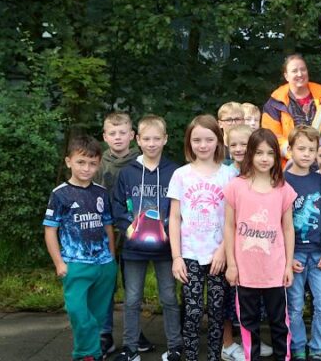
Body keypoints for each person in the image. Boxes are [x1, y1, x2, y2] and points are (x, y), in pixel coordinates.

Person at [167, 115, 239, 361]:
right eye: (197, 139)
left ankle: (214, 356)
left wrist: (223, 251)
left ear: (219, 141)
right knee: (194, 311)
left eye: (209, 139)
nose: (203, 145)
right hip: (190, 255)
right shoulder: (181, 175)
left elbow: (234, 219)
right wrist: (176, 257)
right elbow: (174, 218)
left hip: (219, 254)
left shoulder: (229, 175)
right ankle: (190, 356)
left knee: (218, 311)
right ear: (189, 142)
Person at [224, 129, 297, 361]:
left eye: (270, 153)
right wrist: (232, 264)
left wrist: (287, 265)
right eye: (258, 153)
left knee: (278, 321)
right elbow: (229, 227)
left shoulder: (283, 189)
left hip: (274, 270)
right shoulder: (236, 186)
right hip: (245, 271)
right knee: (248, 322)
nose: (264, 158)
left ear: (277, 156)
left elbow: (287, 229)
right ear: (249, 155)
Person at [112, 115, 182, 361]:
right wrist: (128, 229)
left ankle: (175, 347)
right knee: (131, 299)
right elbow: (117, 206)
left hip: (165, 248)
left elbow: (181, 208)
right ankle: (130, 348)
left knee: (169, 298)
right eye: (147, 139)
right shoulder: (127, 173)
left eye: (157, 138)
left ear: (165, 139)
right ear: (138, 140)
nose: (152, 143)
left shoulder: (175, 171)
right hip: (134, 249)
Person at [44, 135, 118, 361]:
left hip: (103, 265)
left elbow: (108, 226)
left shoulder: (101, 193)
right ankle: (84, 353)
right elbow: (50, 231)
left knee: (97, 314)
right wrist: (59, 263)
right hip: (75, 264)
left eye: (92, 163)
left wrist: (112, 259)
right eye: (81, 162)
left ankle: (91, 355)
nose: (87, 168)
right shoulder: (60, 194)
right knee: (78, 312)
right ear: (69, 162)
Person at [94, 111, 141, 356]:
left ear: (133, 135)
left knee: (133, 285)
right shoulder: (98, 164)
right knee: (106, 285)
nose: (118, 137)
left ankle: (135, 331)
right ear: (105, 136)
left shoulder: (141, 161)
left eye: (123, 132)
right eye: (112, 133)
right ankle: (104, 333)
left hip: (133, 232)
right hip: (105, 234)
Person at [284, 126, 321, 361]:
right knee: (294, 307)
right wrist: (286, 257)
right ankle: (298, 347)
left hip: (319, 255)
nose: (306, 154)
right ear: (290, 149)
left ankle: (318, 347)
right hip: (294, 256)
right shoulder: (281, 181)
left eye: (311, 150)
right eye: (301, 148)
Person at [263, 54, 321, 161]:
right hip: (291, 164)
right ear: (286, 76)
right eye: (294, 71)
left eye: (303, 69)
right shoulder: (274, 103)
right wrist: (292, 153)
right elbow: (271, 137)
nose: (300, 74)